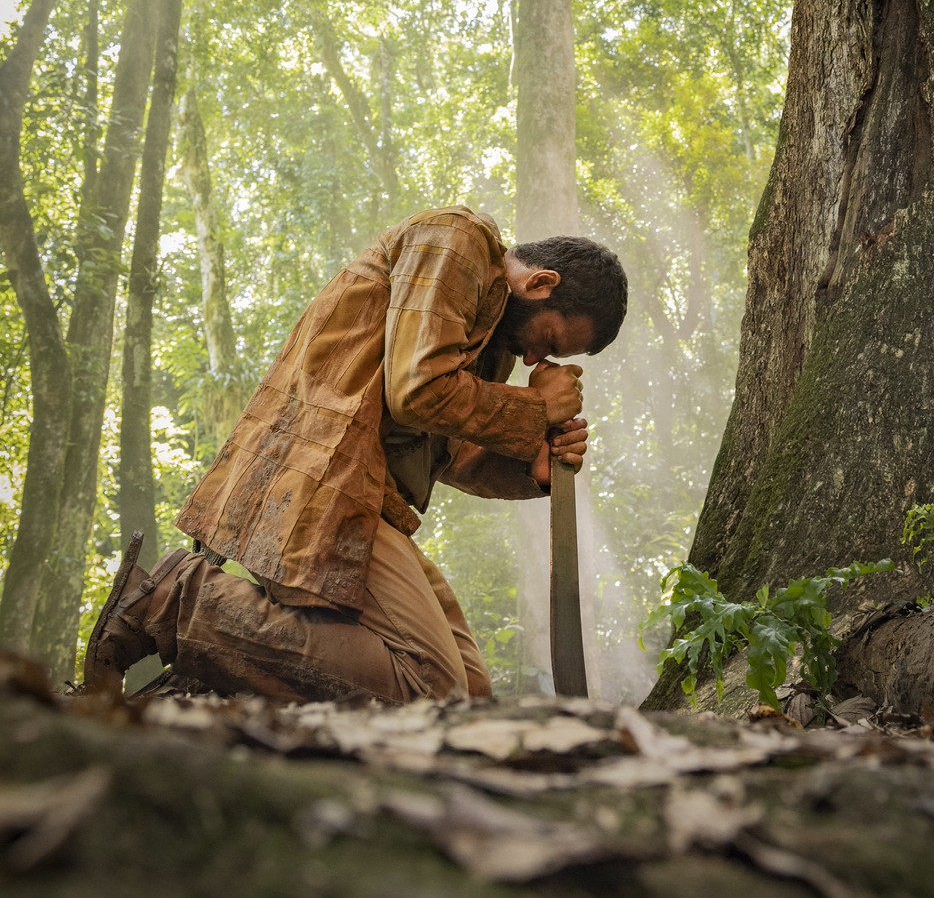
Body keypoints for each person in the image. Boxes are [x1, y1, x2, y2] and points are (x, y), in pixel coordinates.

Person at [84, 206, 627, 703]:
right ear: (540, 282)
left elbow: (446, 452)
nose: (534, 357)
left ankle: (219, 667)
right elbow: (417, 391)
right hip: (320, 482)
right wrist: (535, 407)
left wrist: (527, 469)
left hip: (368, 504)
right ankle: (175, 602)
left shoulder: (489, 342)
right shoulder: (458, 240)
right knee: (432, 692)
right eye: (547, 340)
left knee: (472, 702)